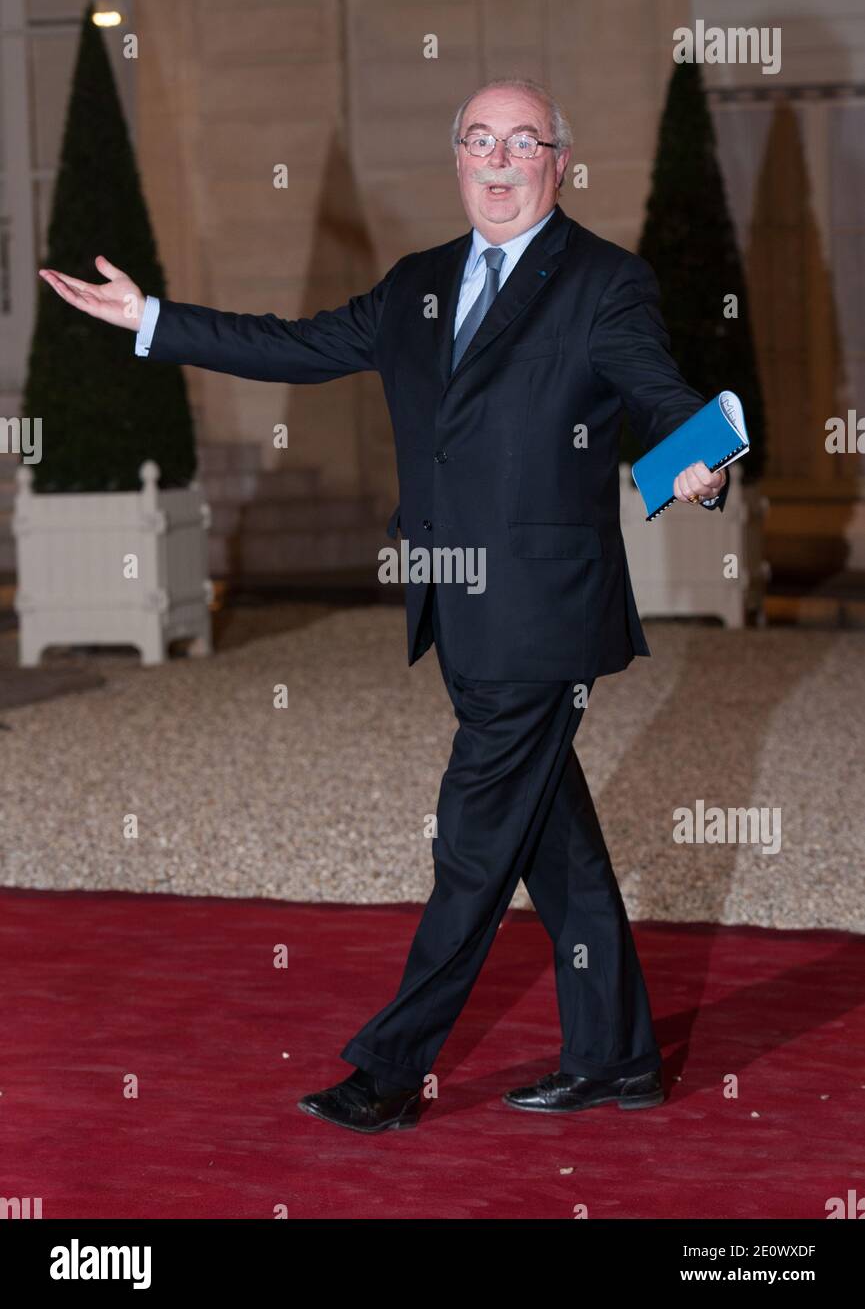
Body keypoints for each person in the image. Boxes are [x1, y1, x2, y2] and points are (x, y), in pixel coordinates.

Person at [39, 76, 728, 1134]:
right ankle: (617, 1056)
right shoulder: (416, 286)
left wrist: (701, 463)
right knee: (557, 842)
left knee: (469, 840)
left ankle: (391, 1070)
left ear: (559, 161)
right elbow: (296, 346)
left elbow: (659, 390)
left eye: (523, 143)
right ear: (456, 156)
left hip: (540, 619)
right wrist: (151, 319)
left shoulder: (603, 282)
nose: (498, 161)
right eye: (479, 141)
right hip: (453, 607)